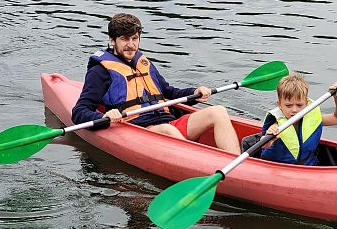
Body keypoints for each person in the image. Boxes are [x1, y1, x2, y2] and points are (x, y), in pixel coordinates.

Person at [72, 13, 240, 154]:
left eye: (135, 38)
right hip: (138, 131)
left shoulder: (143, 63)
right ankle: (205, 166)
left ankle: (235, 164)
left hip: (168, 122)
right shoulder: (100, 71)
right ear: (112, 40)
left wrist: (195, 92)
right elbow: (79, 111)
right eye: (124, 39)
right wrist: (103, 117)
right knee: (168, 130)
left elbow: (167, 92)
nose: (131, 45)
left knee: (218, 111)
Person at [260, 73, 337, 165]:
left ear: (306, 104)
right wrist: (269, 138)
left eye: (299, 105)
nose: (294, 110)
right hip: (279, 169)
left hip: (308, 167)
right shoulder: (276, 125)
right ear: (279, 105)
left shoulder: (312, 119)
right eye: (288, 106)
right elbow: (264, 145)